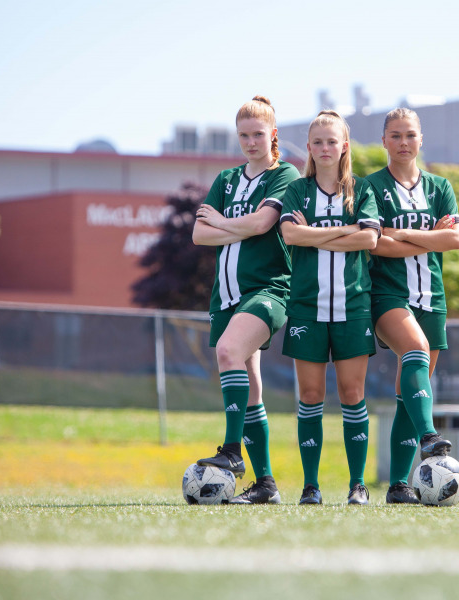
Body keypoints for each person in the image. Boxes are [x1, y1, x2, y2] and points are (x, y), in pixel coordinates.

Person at [192, 96, 301, 504]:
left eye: (258, 134)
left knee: (227, 350)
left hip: (268, 289)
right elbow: (199, 235)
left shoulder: (284, 173)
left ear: (273, 135)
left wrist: (222, 222)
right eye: (243, 135)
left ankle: (232, 452)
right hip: (226, 296)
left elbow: (264, 223)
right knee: (251, 388)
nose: (251, 142)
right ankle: (267, 485)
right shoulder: (226, 179)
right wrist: (232, 226)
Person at [279, 110, 381, 506]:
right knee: (310, 395)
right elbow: (290, 233)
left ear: (344, 146)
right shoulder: (297, 191)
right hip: (307, 308)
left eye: (331, 141)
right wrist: (345, 231)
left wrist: (314, 235)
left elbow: (370, 240)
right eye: (317, 142)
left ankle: (358, 484)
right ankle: (310, 486)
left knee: (353, 394)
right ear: (308, 147)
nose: (324, 148)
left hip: (353, 307)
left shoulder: (361, 190)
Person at [366, 107, 459, 504]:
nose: (403, 143)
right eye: (395, 135)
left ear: (421, 140)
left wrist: (403, 233)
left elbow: (454, 241)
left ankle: (397, 485)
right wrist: (429, 235)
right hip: (389, 295)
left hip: (432, 298)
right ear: (384, 140)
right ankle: (429, 437)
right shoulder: (371, 186)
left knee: (410, 396)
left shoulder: (440, 187)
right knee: (416, 351)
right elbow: (377, 243)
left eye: (410, 135)